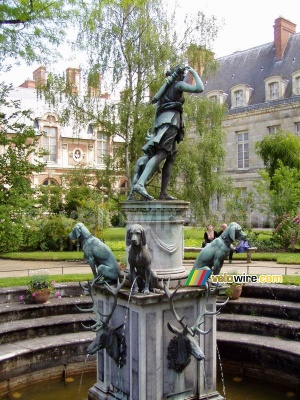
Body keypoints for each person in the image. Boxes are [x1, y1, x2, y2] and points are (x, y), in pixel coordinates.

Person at [132, 64, 204, 201]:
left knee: (170, 157)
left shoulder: (165, 89)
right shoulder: (178, 85)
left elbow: (156, 112)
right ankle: (140, 183)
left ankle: (163, 193)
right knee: (163, 153)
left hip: (166, 121)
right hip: (170, 121)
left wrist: (155, 131)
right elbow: (200, 88)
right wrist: (193, 71)